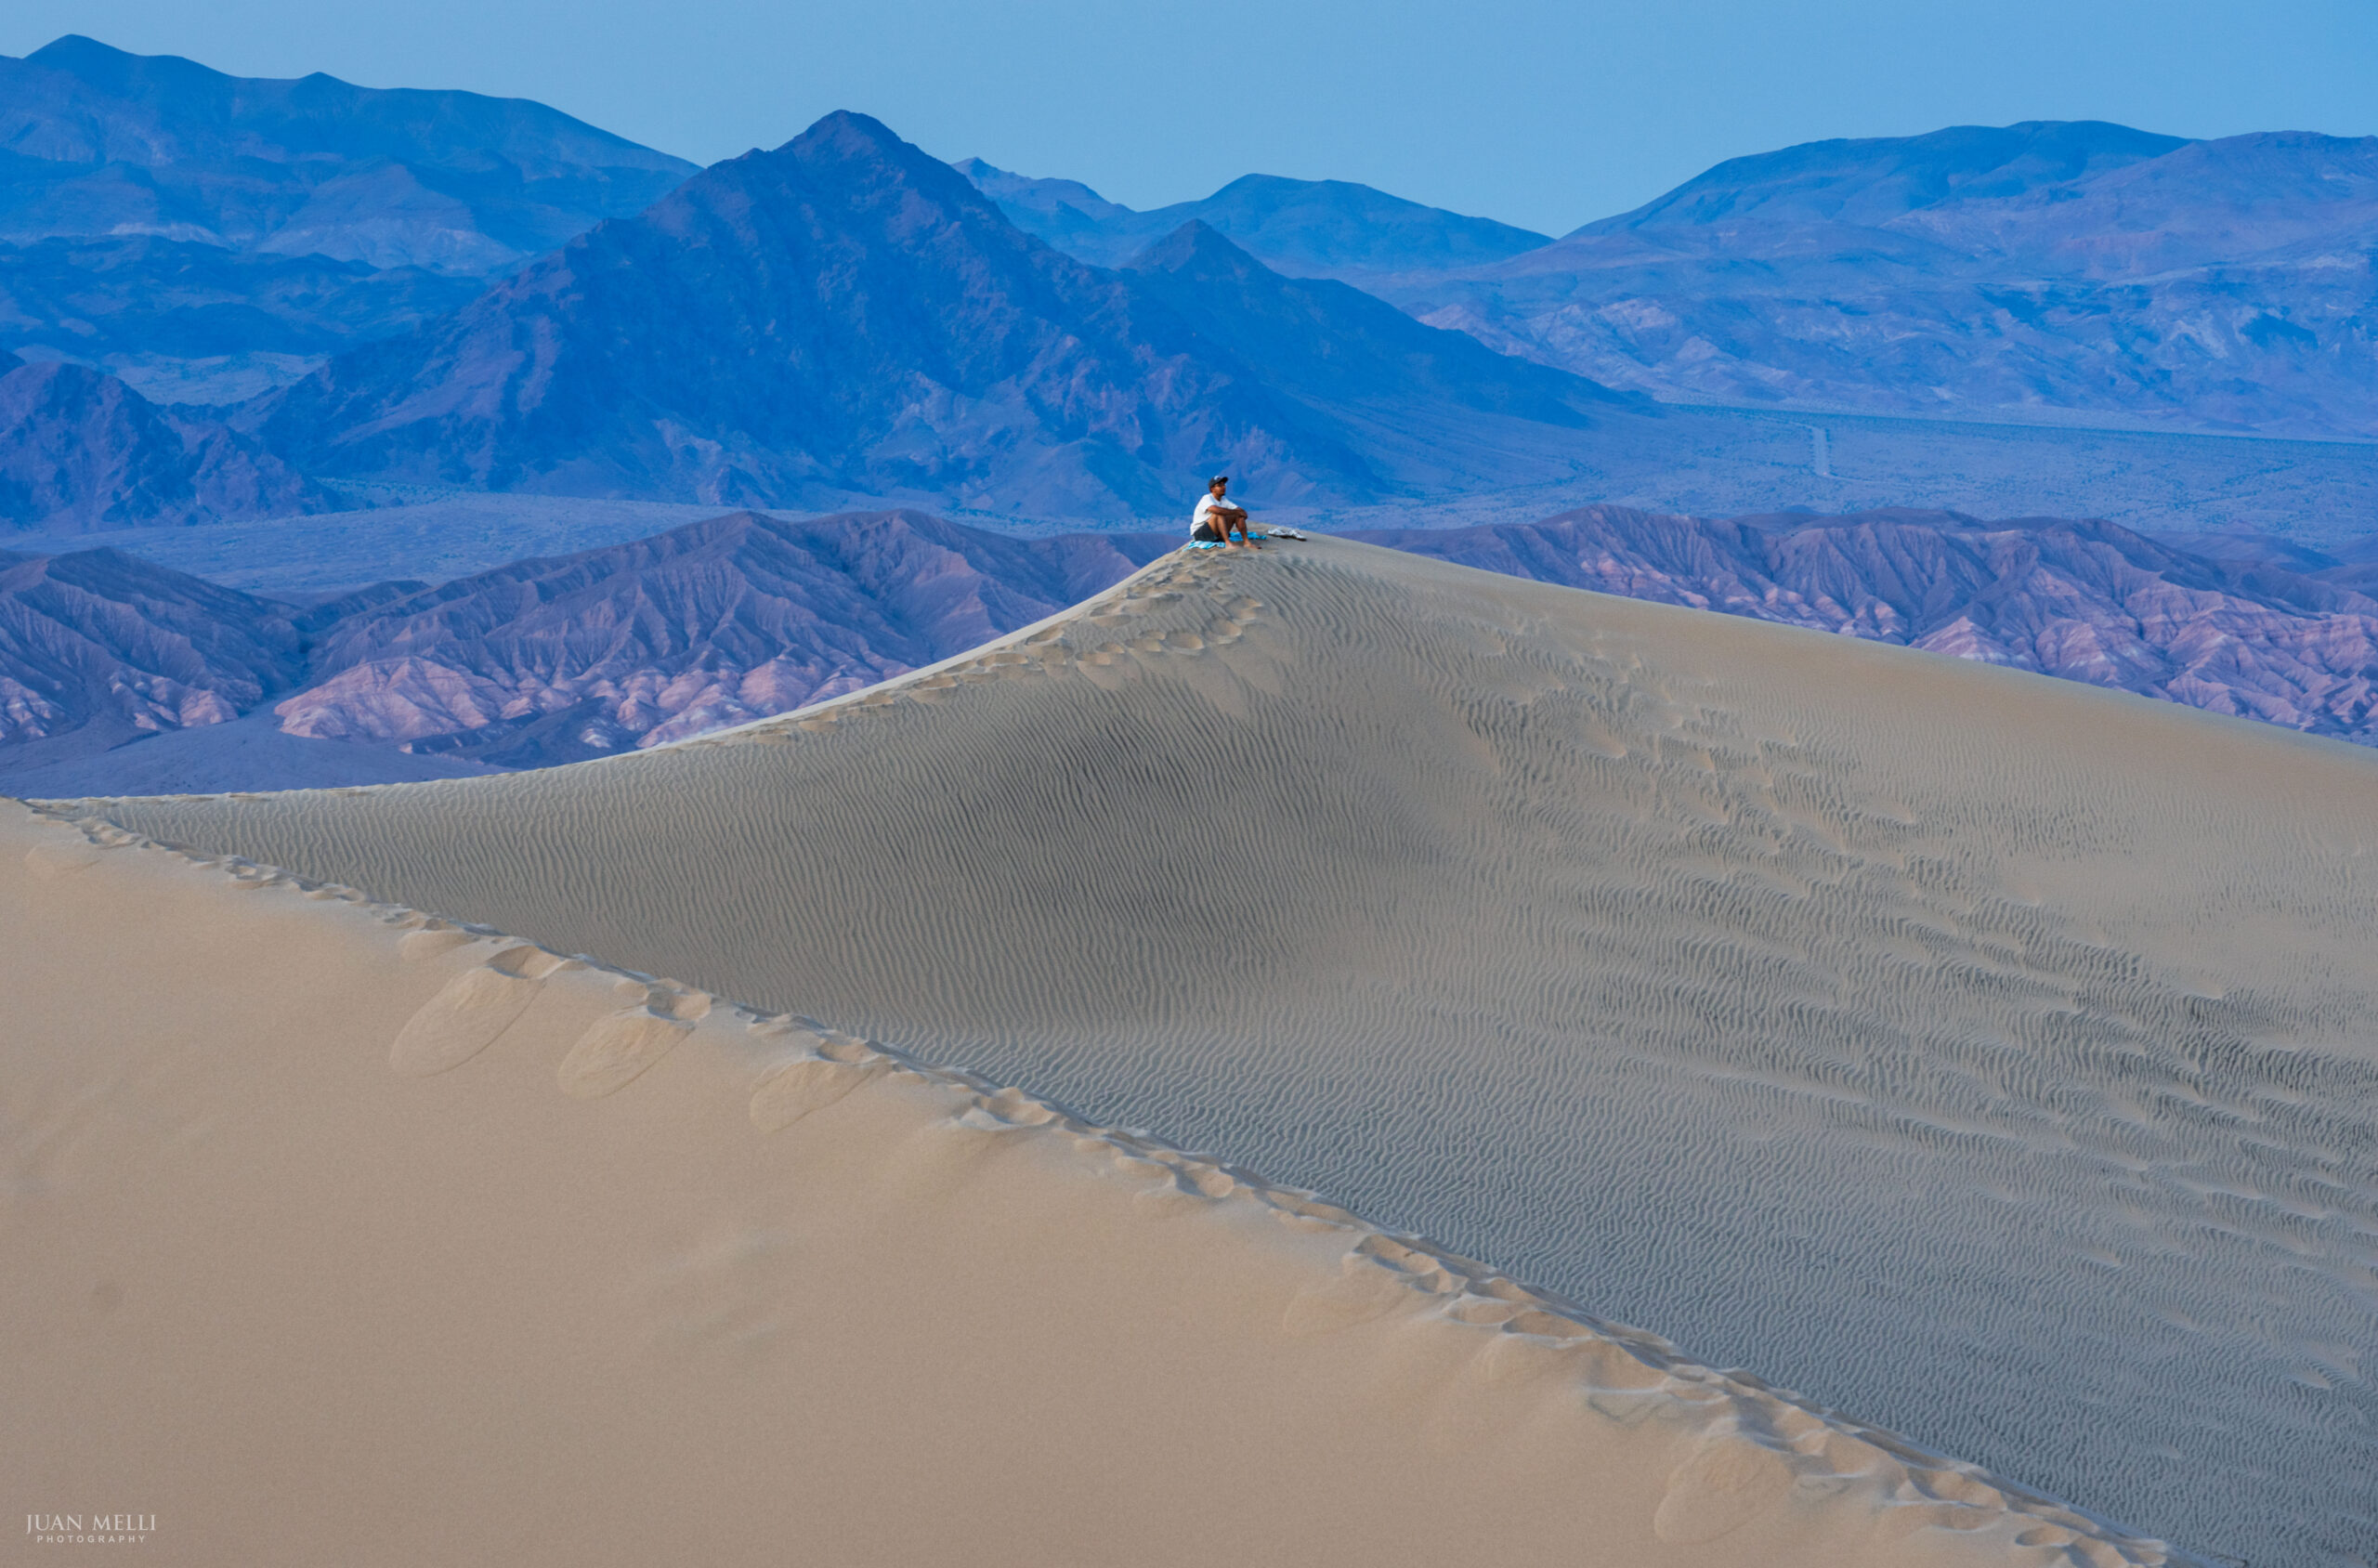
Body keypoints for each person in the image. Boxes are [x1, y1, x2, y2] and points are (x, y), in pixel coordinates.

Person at [1190, 475, 1261, 549]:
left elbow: (1242, 512)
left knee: (1237, 515)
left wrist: (1239, 514)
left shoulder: (1224, 500)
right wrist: (1236, 512)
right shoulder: (1206, 498)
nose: (1223, 487)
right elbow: (1216, 510)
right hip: (1201, 534)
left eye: (1224, 484)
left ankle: (1246, 542)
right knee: (1219, 514)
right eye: (1219, 485)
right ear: (1212, 489)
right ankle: (1228, 543)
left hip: (1215, 533)